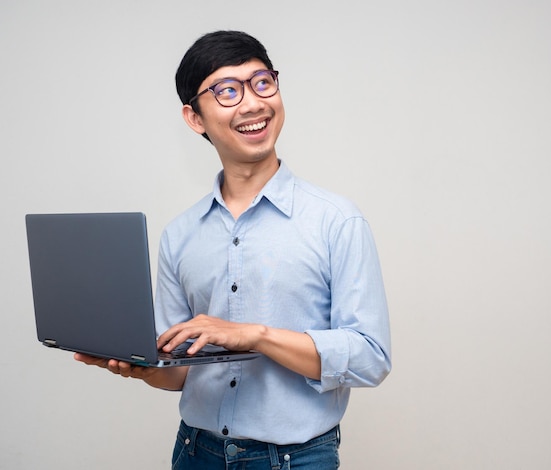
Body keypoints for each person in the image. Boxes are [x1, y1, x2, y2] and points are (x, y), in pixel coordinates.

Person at [75, 30, 391, 469]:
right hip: (194, 453)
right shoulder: (180, 235)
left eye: (263, 82)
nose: (254, 103)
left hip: (295, 459)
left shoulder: (337, 220)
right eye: (228, 91)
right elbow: (182, 371)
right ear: (195, 118)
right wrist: (148, 369)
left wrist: (255, 335)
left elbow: (370, 358)